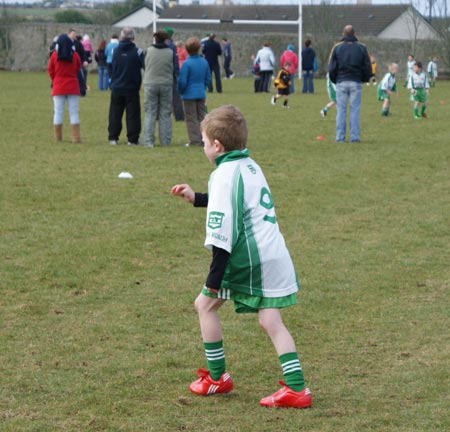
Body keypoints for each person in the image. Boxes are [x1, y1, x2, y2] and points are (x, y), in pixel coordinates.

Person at [170, 104, 312, 409]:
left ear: (217, 146)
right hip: (274, 252)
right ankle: (297, 387)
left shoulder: (223, 175)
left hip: (249, 258)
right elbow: (236, 203)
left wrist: (212, 281)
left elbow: (223, 236)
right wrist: (197, 198)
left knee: (204, 305)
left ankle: (218, 378)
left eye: (205, 142)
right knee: (270, 319)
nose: (204, 147)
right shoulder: (249, 165)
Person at [328, 24, 372, 143]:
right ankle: (354, 137)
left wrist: (334, 80)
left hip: (341, 81)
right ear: (354, 34)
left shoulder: (337, 48)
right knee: (355, 110)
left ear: (343, 34)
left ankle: (340, 137)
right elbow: (367, 66)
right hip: (356, 81)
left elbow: (331, 67)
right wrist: (364, 79)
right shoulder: (362, 48)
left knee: (341, 110)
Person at [108, 27, 144, 145]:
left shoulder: (115, 51)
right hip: (132, 87)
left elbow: (112, 67)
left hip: (117, 86)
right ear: (133, 37)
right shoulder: (138, 52)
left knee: (115, 113)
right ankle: (132, 139)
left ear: (121, 37)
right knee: (133, 115)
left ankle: (113, 137)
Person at [177, 37, 211, 147]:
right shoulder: (204, 62)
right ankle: (205, 139)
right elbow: (208, 79)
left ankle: (194, 140)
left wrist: (180, 91)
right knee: (202, 117)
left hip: (188, 94)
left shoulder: (186, 64)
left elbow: (182, 81)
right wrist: (203, 87)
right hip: (200, 93)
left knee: (191, 118)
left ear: (187, 49)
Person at [48, 33, 81, 143]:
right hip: (72, 86)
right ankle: (75, 138)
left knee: (58, 112)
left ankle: (58, 138)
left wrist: (55, 80)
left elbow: (50, 70)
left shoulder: (54, 56)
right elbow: (77, 67)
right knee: (74, 112)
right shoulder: (74, 55)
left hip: (58, 86)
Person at [142, 30, 173, 148]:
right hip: (166, 83)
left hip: (150, 83)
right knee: (165, 113)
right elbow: (174, 68)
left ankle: (148, 141)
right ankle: (165, 141)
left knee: (150, 112)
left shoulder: (148, 51)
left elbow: (144, 65)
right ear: (166, 40)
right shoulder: (170, 52)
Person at [163, 27, 185, 121]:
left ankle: (158, 115)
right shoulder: (172, 46)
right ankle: (179, 116)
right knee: (176, 97)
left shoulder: (159, 44)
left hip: (161, 74)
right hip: (171, 74)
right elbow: (175, 61)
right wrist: (177, 73)